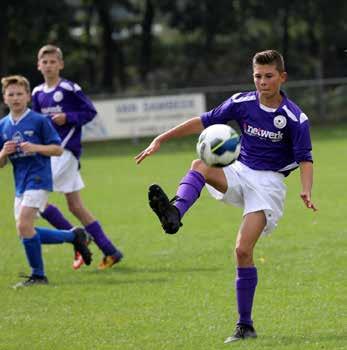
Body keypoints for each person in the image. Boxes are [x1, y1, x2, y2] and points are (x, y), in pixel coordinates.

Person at [135, 50, 317, 343]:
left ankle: (245, 326)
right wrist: (161, 139)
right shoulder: (241, 102)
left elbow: (305, 159)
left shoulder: (295, 118)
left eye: (269, 76)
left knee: (243, 250)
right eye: (257, 76)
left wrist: (306, 189)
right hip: (238, 170)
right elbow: (202, 121)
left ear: (282, 77)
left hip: (268, 185)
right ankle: (174, 213)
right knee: (200, 165)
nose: (262, 81)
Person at [31, 44, 123, 270]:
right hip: (51, 154)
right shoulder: (37, 93)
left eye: (54, 62)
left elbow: (90, 112)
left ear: (60, 65)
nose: (49, 65)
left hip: (64, 152)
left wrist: (68, 117)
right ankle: (110, 250)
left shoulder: (70, 88)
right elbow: (34, 122)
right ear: (39, 66)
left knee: (37, 201)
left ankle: (77, 237)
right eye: (45, 62)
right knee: (75, 206)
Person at [0, 75, 92, 288]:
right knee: (26, 231)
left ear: (27, 96)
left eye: (19, 94)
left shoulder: (39, 121)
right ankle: (73, 236)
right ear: (5, 98)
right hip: (20, 182)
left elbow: (58, 149)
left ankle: (38, 276)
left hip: (39, 178)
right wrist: (3, 153)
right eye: (11, 94)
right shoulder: (3, 125)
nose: (15, 98)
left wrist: (34, 148)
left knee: (24, 225)